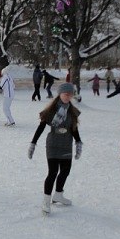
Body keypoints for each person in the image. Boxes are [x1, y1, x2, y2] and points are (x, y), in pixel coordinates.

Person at [28, 83, 83, 214]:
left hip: (66, 144)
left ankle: (58, 194)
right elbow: (41, 127)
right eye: (65, 93)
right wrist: (33, 143)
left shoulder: (72, 111)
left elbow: (73, 128)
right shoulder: (51, 110)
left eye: (70, 94)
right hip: (53, 144)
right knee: (52, 172)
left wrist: (78, 142)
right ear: (60, 94)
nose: (68, 96)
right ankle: (46, 201)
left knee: (65, 171)